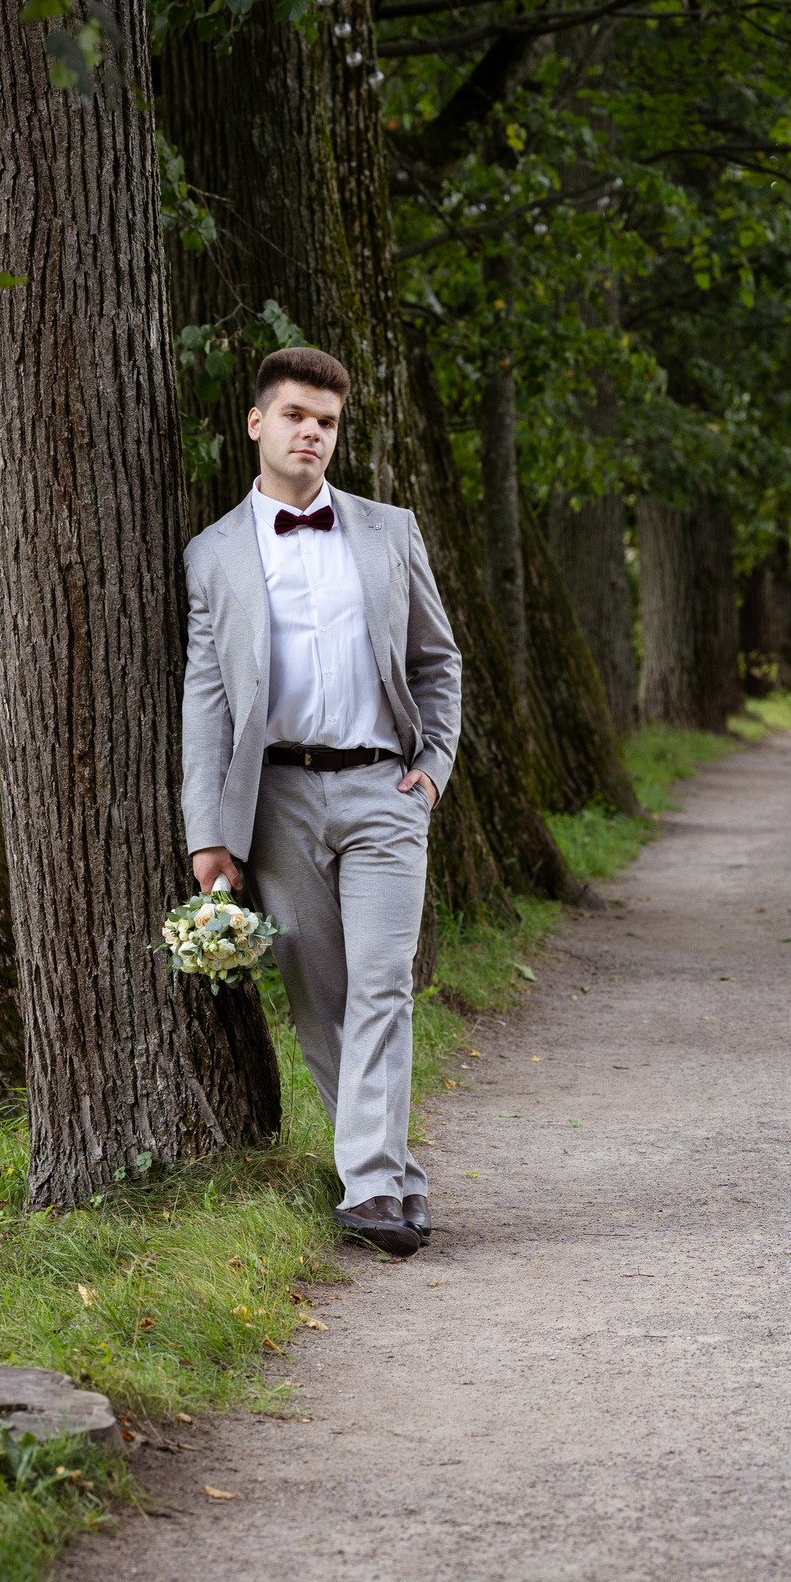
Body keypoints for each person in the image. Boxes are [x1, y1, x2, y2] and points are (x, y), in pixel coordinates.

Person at [181, 347, 462, 1256]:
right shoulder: (213, 553)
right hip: (278, 798)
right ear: (258, 424)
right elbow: (207, 702)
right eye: (297, 415)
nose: (313, 432)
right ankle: (394, 1177)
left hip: (386, 786)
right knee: (319, 994)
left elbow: (437, 660)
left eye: (329, 421)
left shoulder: (390, 530)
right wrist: (208, 834)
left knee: (385, 980)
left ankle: (371, 1188)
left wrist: (434, 767)